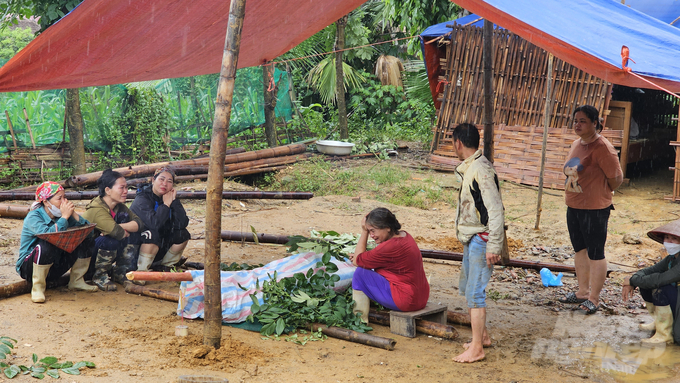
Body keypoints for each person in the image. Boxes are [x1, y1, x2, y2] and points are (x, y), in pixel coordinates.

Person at [559, 105, 623, 315]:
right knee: (580, 249)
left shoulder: (602, 147)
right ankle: (582, 291)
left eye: (583, 121)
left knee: (596, 253)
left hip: (595, 208)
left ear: (595, 123)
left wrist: (600, 192)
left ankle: (594, 298)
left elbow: (616, 179)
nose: (577, 125)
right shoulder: (577, 143)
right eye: (575, 120)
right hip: (574, 205)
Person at [451, 123, 504, 363]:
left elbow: (495, 210)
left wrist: (494, 245)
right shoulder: (472, 167)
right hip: (473, 237)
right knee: (468, 288)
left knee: (475, 293)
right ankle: (481, 338)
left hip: (482, 239)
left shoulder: (480, 170)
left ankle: (477, 349)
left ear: (458, 143)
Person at [17, 181, 98, 303]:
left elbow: (89, 232)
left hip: (53, 267)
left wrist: (74, 216)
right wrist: (64, 218)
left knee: (84, 237)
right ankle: (38, 288)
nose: (64, 201)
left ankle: (76, 280)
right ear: (45, 202)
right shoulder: (34, 217)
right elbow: (49, 235)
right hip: (29, 268)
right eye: (60, 198)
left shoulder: (64, 214)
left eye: (65, 197)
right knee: (48, 242)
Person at [349, 208, 429, 323]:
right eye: (369, 231)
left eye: (373, 231)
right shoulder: (405, 235)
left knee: (360, 273)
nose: (372, 235)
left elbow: (357, 260)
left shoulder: (390, 247)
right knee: (367, 266)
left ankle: (359, 321)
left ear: (387, 227)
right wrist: (362, 257)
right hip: (421, 297)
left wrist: (364, 231)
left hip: (407, 301)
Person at [82, 169, 144, 291]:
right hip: (86, 259)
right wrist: (117, 229)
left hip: (102, 252)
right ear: (108, 190)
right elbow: (116, 233)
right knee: (109, 240)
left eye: (127, 187)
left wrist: (120, 227)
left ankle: (121, 272)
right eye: (122, 188)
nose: (126, 191)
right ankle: (98, 275)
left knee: (135, 235)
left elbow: (139, 224)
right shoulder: (97, 209)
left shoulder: (119, 206)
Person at [622, 220, 680, 345]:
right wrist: (634, 279)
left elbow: (661, 279)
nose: (669, 242)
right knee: (646, 286)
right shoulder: (671, 258)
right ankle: (660, 322)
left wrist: (631, 280)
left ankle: (664, 334)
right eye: (667, 238)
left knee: (661, 289)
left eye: (673, 239)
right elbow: (649, 271)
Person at [130, 167, 190, 273]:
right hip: (135, 250)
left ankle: (166, 266)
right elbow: (155, 224)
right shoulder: (142, 199)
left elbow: (182, 224)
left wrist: (174, 201)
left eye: (169, 181)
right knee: (152, 233)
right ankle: (141, 271)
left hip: (158, 246)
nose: (165, 184)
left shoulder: (169, 198)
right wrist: (166, 205)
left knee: (183, 234)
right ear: (153, 180)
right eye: (161, 179)